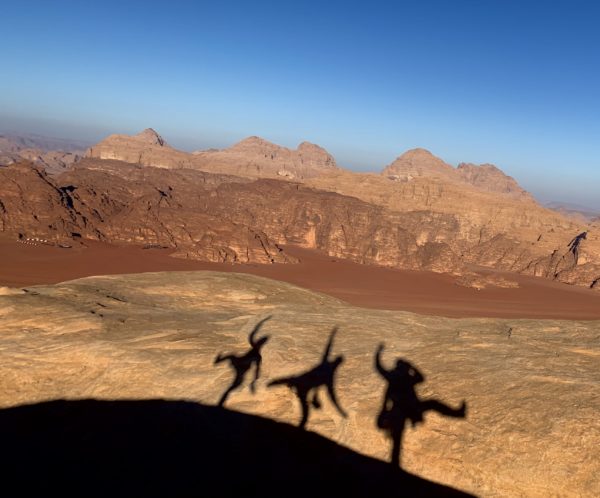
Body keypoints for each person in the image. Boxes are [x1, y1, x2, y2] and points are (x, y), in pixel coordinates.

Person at [375, 344, 466, 467]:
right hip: (406, 409)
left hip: (407, 409)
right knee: (432, 405)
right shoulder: (403, 377)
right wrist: (411, 367)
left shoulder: (396, 377)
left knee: (432, 405)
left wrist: (378, 352)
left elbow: (379, 368)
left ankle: (458, 413)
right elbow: (420, 377)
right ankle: (458, 413)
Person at [268, 327, 347, 429]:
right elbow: (331, 395)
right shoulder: (328, 374)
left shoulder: (327, 369)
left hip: (300, 383)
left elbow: (326, 352)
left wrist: (332, 337)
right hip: (300, 384)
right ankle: (301, 426)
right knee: (304, 409)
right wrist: (340, 410)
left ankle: (301, 425)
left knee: (292, 387)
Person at [214, 316, 271, 406]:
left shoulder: (258, 355)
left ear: (261, 344)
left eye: (260, 341)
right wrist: (262, 322)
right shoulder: (256, 350)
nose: (258, 342)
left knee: (234, 386)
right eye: (259, 341)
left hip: (242, 368)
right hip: (240, 363)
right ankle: (218, 361)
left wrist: (254, 382)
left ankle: (221, 403)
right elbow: (252, 334)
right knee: (232, 356)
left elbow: (257, 369)